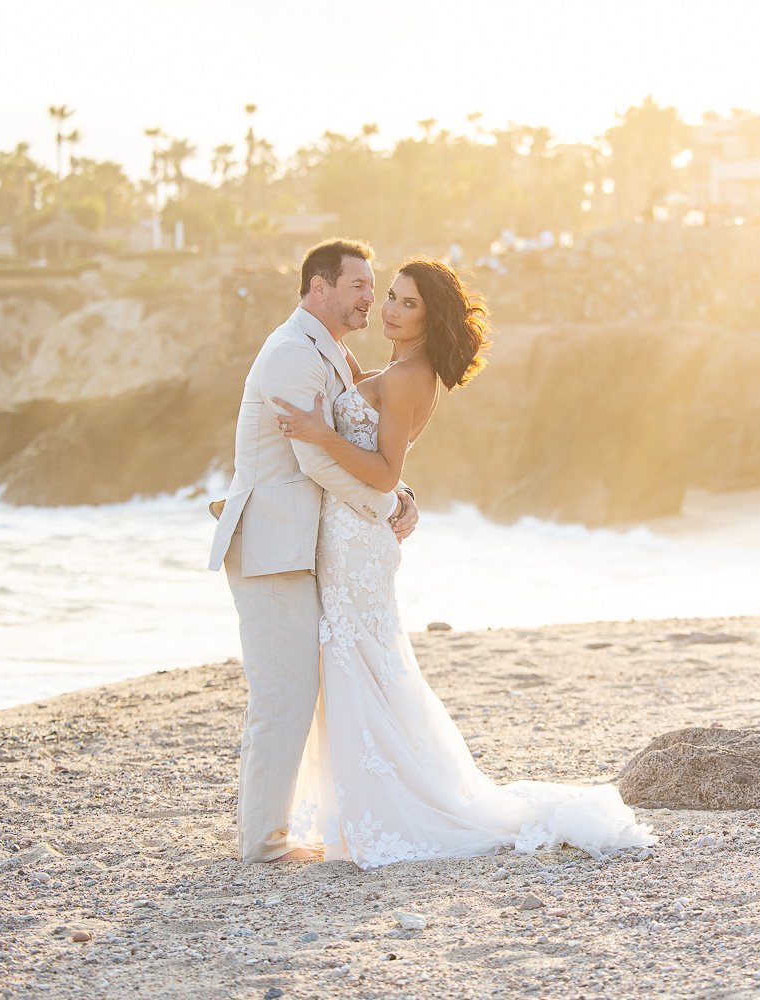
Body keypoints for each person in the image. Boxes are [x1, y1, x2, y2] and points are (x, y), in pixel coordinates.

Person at [271, 256, 655, 868]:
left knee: (358, 661)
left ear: (431, 317)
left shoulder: (409, 378)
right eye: (389, 298)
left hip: (358, 542)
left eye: (406, 304)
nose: (390, 310)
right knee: (360, 662)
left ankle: (384, 810)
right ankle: (363, 807)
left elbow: (384, 471)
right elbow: (380, 456)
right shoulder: (397, 369)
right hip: (349, 535)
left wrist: (321, 435)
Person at [208, 238, 420, 864]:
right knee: (284, 692)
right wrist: (384, 506)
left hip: (301, 543)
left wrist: (399, 488)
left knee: (299, 688)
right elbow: (313, 457)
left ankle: (274, 831)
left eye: (373, 287)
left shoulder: (328, 351)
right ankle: (263, 843)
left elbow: (350, 447)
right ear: (320, 287)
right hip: (271, 543)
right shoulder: (292, 355)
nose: (369, 300)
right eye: (359, 286)